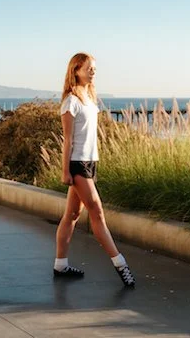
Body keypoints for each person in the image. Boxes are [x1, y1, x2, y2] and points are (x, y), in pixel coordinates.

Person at [53, 52, 135, 287]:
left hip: (90, 161)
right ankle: (121, 265)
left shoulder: (89, 97)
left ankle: (60, 265)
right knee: (97, 212)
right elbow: (67, 140)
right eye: (89, 68)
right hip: (77, 164)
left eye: (94, 68)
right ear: (76, 70)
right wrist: (65, 171)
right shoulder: (71, 101)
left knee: (71, 216)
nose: (93, 71)